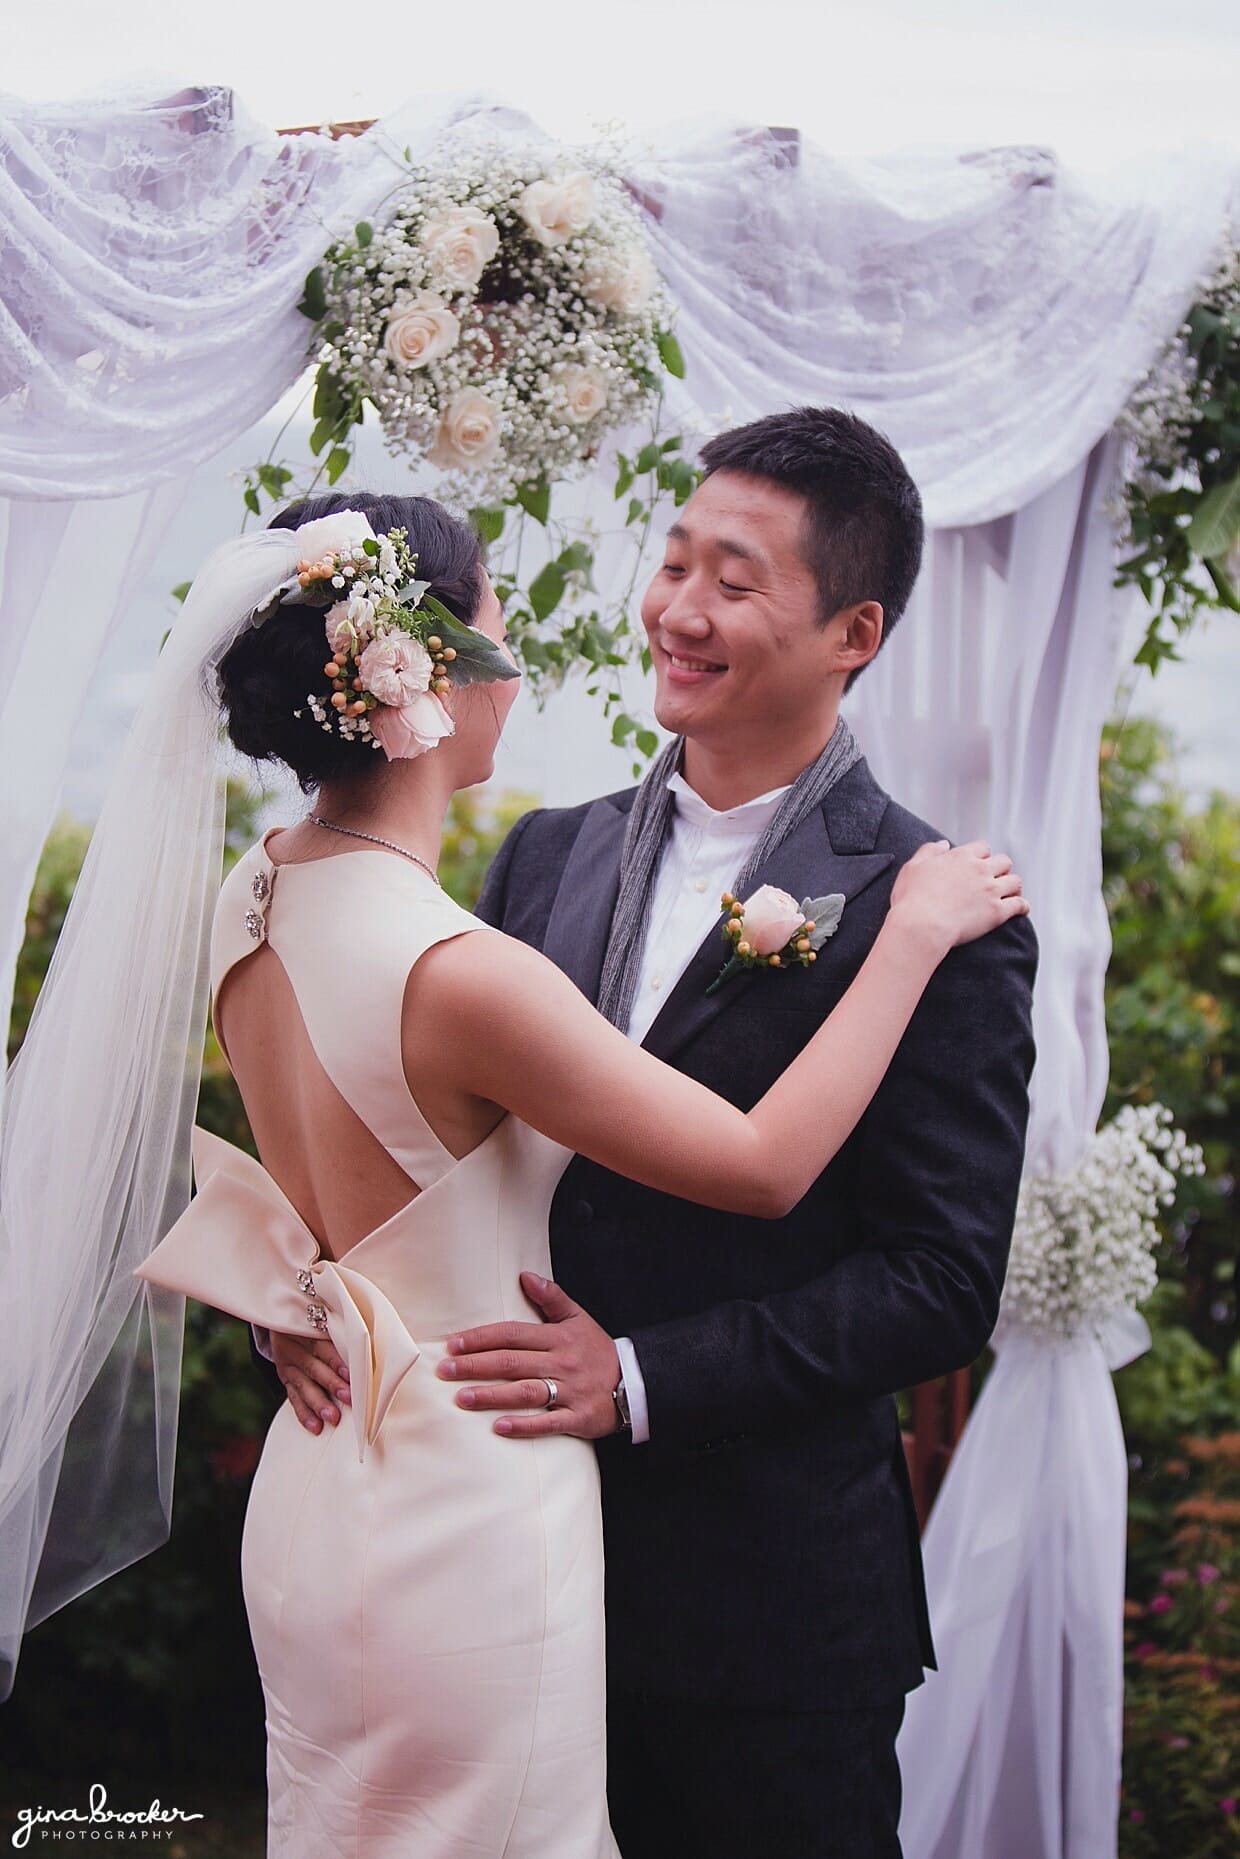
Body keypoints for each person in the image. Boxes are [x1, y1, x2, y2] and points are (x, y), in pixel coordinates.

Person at [85, 468, 1027, 1859]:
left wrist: (641, 1381)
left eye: (734, 575)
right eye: (674, 561)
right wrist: (310, 1315)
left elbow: (943, 1281)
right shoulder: (538, 860)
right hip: (483, 1553)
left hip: (754, 1623)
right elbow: (413, 1138)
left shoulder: (939, 905)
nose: (678, 608)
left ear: (855, 631)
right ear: (419, 669)